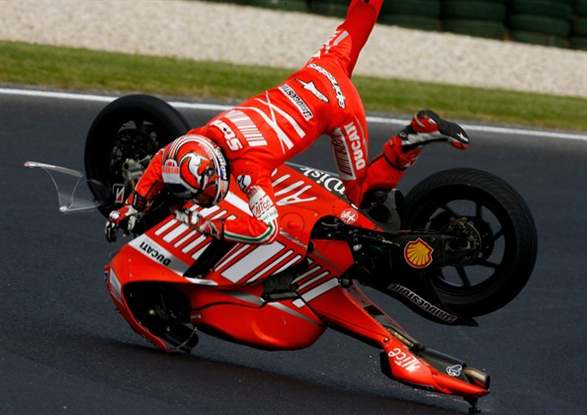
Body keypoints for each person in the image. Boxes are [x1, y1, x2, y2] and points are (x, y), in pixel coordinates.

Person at [105, 0, 470, 245]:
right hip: (320, 70)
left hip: (338, 110)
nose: (197, 199)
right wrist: (134, 204)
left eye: (199, 192)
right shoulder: (204, 135)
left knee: (360, 198)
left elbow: (266, 228)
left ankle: (412, 138)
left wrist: (211, 225)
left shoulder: (248, 170)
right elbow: (163, 157)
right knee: (359, 17)